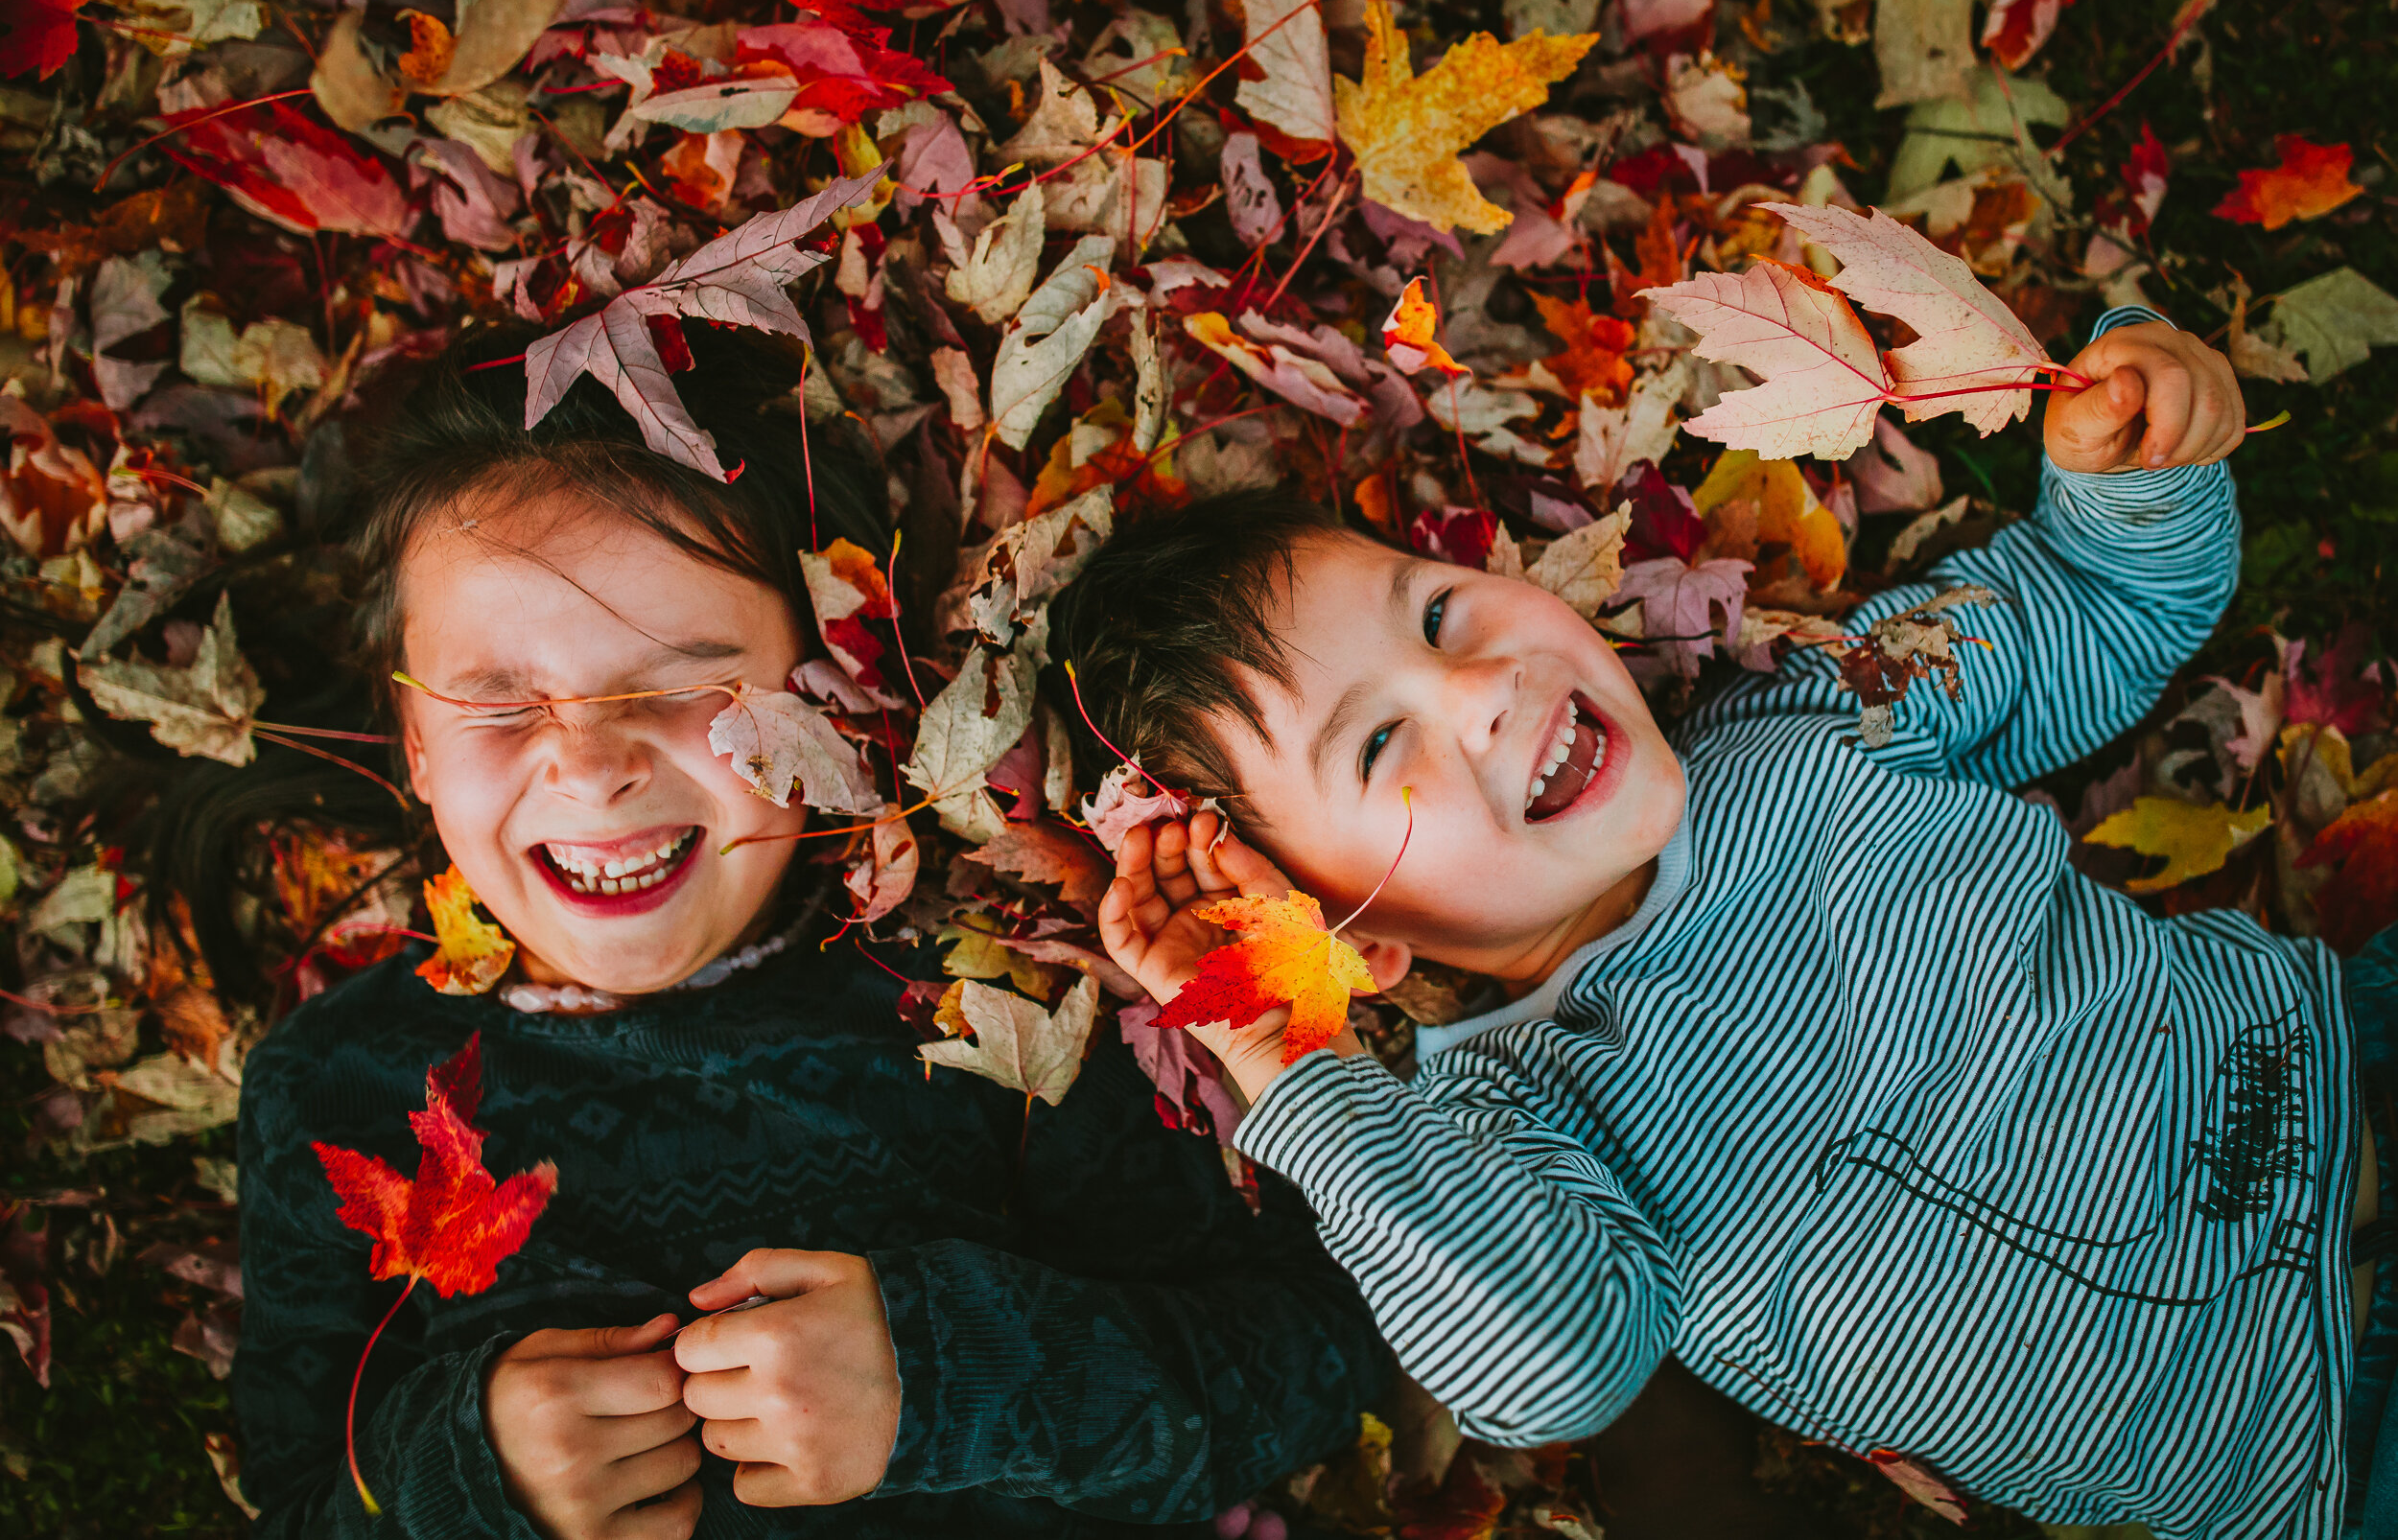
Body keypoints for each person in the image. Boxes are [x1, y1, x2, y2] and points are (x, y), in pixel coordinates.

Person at [1052, 305, 2398, 1538]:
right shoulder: (1515, 1129)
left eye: (1441, 610)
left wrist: (2134, 470)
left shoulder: (1813, 716)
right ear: (1357, 938)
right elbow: (1548, 1361)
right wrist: (1284, 1050)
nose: (1480, 689)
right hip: (2314, 1445)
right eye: (1378, 742)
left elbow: (2090, 606)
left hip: (2348, 1058)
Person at [182, 329, 1388, 1538]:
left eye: (681, 686)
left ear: (830, 697)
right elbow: (297, 1495)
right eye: (499, 702)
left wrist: (944, 1378)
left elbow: (1312, 1356)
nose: (591, 768)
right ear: (414, 740)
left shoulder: (994, 1010)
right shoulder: (338, 1083)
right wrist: (466, 1481)